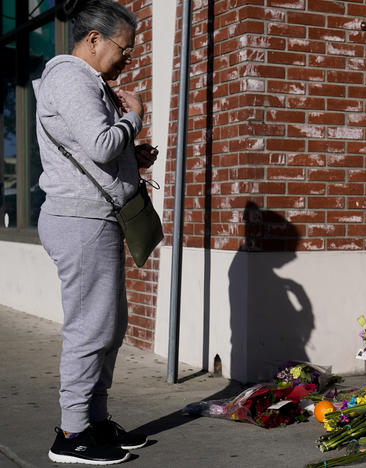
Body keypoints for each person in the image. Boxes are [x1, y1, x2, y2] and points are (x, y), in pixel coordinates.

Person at [33, 0, 157, 464]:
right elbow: (103, 145)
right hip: (79, 220)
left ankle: (95, 419)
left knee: (111, 326)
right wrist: (136, 116)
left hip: (94, 218)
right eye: (123, 48)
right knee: (90, 329)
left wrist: (133, 157)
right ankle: (71, 433)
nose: (127, 58)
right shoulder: (69, 77)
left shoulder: (88, 82)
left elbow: (96, 150)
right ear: (93, 40)